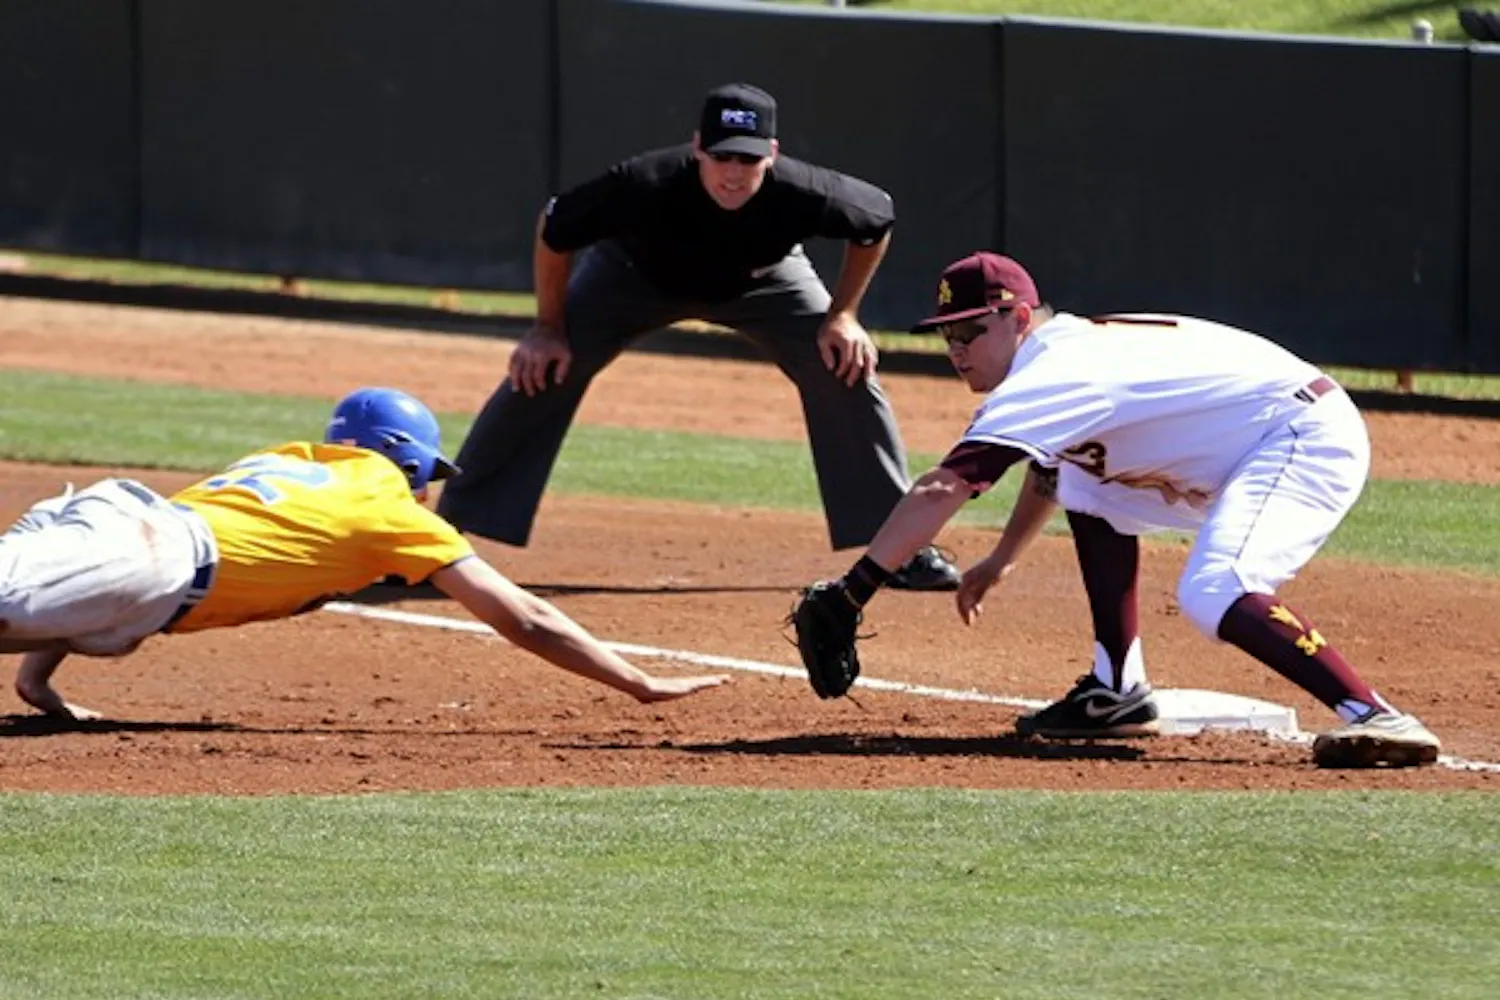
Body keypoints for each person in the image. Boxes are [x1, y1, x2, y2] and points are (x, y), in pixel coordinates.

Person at [793, 251, 1441, 769]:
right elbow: (1053, 468)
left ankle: (1374, 713)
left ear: (1019, 317)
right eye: (946, 337)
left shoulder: (1054, 371)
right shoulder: (1068, 355)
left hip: (1299, 438)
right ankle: (1118, 688)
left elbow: (945, 487)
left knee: (1216, 588)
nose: (957, 348)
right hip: (1259, 437)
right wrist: (1000, 560)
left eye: (970, 331)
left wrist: (855, 591)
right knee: (1085, 477)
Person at [436, 82, 959, 591]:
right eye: (721, 157)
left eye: (748, 160)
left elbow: (875, 221)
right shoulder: (645, 182)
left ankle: (897, 549)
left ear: (772, 154)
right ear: (697, 148)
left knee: (843, 364)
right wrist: (547, 328)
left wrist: (843, 315)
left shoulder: (805, 191)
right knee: (544, 366)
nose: (733, 173)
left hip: (765, 280)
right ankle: (442, 536)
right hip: (632, 276)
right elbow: (555, 228)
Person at [1, 387, 728, 721]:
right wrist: (636, 682)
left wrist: (39, 680)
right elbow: (525, 617)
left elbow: (110, 574)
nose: (427, 492)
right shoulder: (385, 506)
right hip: (151, 557)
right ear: (404, 459)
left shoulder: (293, 459)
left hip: (124, 532)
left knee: (82, 624)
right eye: (427, 475)